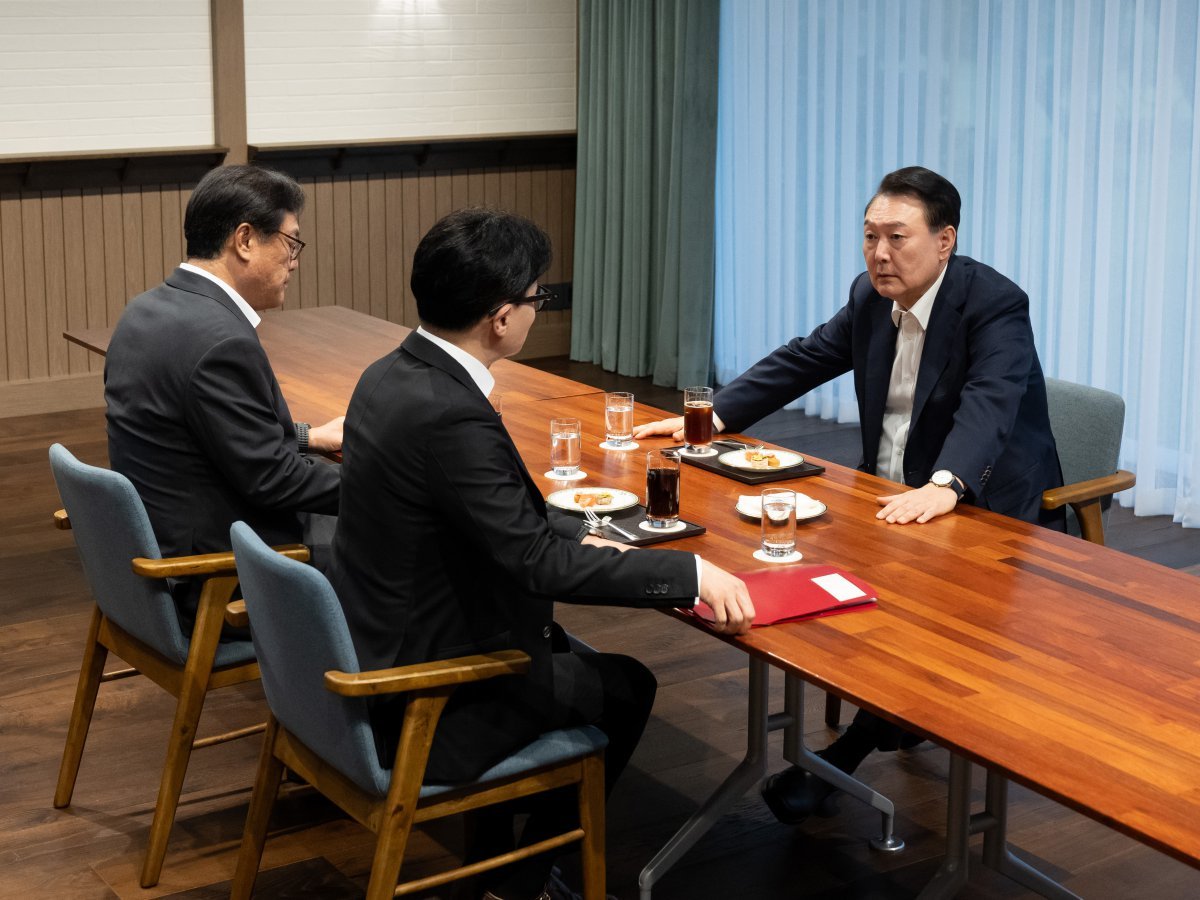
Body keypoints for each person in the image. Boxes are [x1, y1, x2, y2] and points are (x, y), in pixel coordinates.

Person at [327, 208, 754, 900]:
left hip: (380, 637)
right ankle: (520, 882)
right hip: (428, 694)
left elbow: (485, 517)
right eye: (537, 298)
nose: (537, 309)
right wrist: (688, 572)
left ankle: (500, 856)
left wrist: (560, 526)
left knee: (574, 654)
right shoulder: (451, 412)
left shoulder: (390, 373)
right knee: (626, 686)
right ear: (501, 318)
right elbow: (536, 565)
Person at [634, 165, 1063, 824]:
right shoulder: (870, 296)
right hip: (887, 495)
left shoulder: (994, 303)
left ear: (945, 241)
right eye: (869, 237)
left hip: (982, 505)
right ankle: (895, 716)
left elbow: (990, 403)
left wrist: (945, 485)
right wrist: (712, 416)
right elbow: (806, 357)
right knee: (798, 571)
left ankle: (849, 754)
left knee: (914, 614)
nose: (880, 254)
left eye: (898, 237)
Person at [105, 164, 343, 630]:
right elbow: (274, 482)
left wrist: (305, 436)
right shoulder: (219, 340)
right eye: (291, 243)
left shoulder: (147, 309)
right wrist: (394, 483)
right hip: (218, 576)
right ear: (246, 239)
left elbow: (198, 436)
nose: (295, 260)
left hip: (161, 551)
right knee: (408, 539)